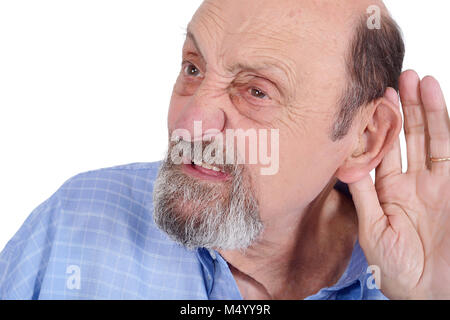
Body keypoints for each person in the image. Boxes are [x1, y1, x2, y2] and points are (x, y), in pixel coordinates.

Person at [0, 0, 449, 300]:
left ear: (364, 138)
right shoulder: (71, 225)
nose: (189, 124)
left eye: (255, 92)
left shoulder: (416, 275)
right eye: (193, 68)